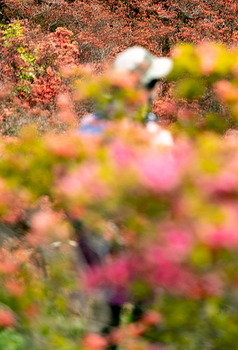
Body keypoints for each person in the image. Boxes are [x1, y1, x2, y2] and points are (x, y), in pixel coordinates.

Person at [76, 47, 173, 331]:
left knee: (106, 322)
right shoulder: (154, 137)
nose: (156, 91)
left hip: (96, 240)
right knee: (143, 322)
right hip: (140, 241)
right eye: (153, 84)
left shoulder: (90, 126)